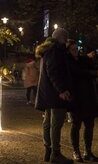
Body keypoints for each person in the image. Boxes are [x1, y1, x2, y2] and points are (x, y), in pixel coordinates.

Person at [35, 28, 73, 163]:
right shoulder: (56, 50)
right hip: (55, 94)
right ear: (62, 39)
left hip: (48, 93)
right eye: (66, 39)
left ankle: (49, 151)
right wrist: (62, 90)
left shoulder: (48, 49)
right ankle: (55, 154)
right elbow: (54, 72)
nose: (67, 41)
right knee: (56, 123)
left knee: (48, 122)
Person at [67, 40, 98, 162]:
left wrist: (89, 58)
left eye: (76, 49)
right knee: (76, 125)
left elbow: (90, 66)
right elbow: (78, 72)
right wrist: (93, 73)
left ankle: (88, 151)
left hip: (88, 97)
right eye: (73, 49)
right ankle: (76, 151)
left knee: (89, 125)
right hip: (76, 98)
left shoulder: (82, 59)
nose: (76, 52)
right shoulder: (68, 61)